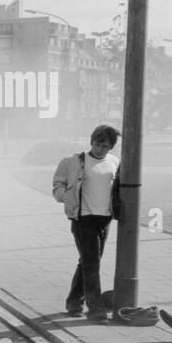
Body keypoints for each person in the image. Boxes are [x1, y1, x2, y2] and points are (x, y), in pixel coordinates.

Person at [52, 125, 121, 324]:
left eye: (105, 146)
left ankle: (74, 303)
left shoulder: (114, 162)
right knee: (92, 264)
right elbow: (58, 184)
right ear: (91, 141)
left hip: (104, 219)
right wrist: (67, 197)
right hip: (83, 218)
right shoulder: (73, 161)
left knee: (87, 262)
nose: (100, 149)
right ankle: (96, 311)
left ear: (111, 148)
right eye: (97, 144)